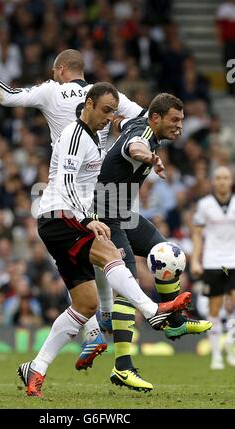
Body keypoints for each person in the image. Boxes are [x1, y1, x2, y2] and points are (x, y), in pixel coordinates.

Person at [0, 36, 148, 364]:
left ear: (61, 70)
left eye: (54, 70)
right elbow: (144, 119)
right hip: (100, 190)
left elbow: (5, 96)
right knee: (100, 253)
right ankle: (102, 321)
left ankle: (106, 322)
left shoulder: (52, 90)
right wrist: (127, 136)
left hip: (65, 190)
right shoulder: (106, 96)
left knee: (82, 256)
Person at [16, 83, 191, 397]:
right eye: (105, 111)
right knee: (110, 251)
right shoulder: (73, 135)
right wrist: (88, 220)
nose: (109, 118)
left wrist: (144, 150)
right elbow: (66, 183)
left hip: (62, 219)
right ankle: (153, 311)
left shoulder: (93, 135)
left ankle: (36, 369)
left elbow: (130, 132)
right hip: (60, 215)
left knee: (85, 305)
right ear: (89, 104)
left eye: (113, 112)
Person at [75, 92, 211, 389]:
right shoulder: (144, 137)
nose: (179, 126)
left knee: (169, 254)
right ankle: (123, 366)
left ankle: (174, 322)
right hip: (105, 217)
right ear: (156, 118)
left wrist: (121, 122)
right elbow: (133, 146)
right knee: (128, 284)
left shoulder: (137, 123)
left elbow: (124, 125)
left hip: (124, 213)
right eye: (174, 120)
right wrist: (149, 156)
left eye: (182, 121)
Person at [191, 166, 235, 369]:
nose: (222, 181)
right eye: (218, 178)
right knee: (214, 308)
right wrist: (195, 260)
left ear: (230, 180)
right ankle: (216, 354)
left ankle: (231, 347)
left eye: (225, 178)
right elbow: (198, 235)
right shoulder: (205, 205)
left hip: (233, 260)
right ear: (213, 181)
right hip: (213, 261)